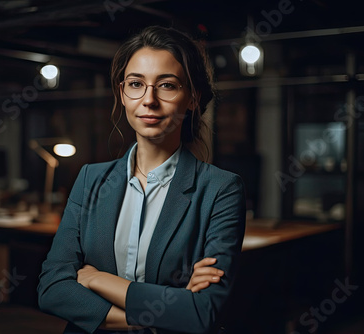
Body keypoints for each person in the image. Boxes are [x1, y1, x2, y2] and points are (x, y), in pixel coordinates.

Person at [38, 26, 246, 334]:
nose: (149, 100)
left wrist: (97, 279)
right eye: (136, 84)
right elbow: (51, 289)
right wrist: (166, 311)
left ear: (192, 98)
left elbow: (202, 312)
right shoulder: (90, 179)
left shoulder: (221, 189)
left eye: (167, 85)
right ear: (122, 93)